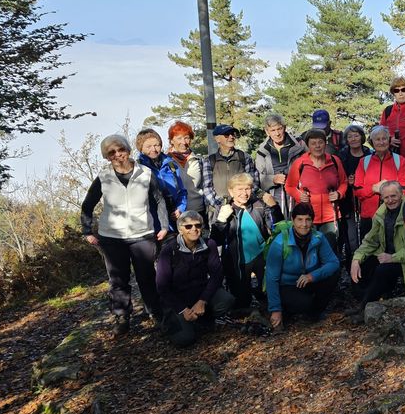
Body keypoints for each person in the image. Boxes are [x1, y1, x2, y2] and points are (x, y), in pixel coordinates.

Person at [81, 134, 169, 336]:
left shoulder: (145, 173)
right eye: (111, 152)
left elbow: (159, 199)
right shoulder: (103, 177)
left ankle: (155, 313)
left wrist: (164, 225)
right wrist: (87, 230)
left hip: (142, 235)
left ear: (128, 150)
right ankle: (122, 317)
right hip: (112, 237)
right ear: (106, 157)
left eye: (121, 149)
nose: (118, 154)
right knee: (118, 279)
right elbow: (87, 205)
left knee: (147, 277)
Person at [348, 181, 405, 322]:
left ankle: (364, 308)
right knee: (362, 266)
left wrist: (393, 257)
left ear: (401, 194)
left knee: (382, 271)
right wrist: (356, 259)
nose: (390, 200)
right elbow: (370, 240)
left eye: (393, 196)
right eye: (386, 197)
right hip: (388, 256)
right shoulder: (381, 212)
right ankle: (366, 301)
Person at [157, 211, 235, 348]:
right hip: (177, 299)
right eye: (188, 226)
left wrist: (202, 301)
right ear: (180, 229)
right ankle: (171, 321)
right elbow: (162, 286)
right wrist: (182, 309)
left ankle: (203, 317)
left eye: (198, 225)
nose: (194, 229)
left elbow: (217, 275)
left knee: (226, 300)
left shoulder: (209, 244)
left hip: (200, 293)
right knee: (185, 339)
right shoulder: (169, 251)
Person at [210, 173, 282, 314]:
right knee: (242, 302)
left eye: (247, 188)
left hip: (261, 255)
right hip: (237, 260)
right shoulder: (224, 209)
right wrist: (221, 220)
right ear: (231, 191)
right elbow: (215, 240)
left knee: (267, 292)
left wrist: (274, 207)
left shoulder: (258, 205)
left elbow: (279, 228)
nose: (244, 193)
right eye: (240, 189)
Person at [263, 203, 340, 328]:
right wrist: (275, 310)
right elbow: (271, 278)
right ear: (293, 220)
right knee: (305, 303)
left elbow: (333, 263)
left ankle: (315, 312)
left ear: (312, 221)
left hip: (308, 280)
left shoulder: (318, 238)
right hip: (287, 285)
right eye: (299, 219)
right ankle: (288, 308)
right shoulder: (280, 243)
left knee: (334, 274)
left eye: (308, 220)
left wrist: (312, 276)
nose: (304, 224)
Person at [284, 129, 347, 252]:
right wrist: (298, 195)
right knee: (308, 252)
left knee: (329, 251)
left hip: (330, 216)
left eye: (320, 142)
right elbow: (289, 186)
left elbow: (344, 182)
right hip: (307, 217)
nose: (317, 146)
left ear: (325, 143)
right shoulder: (300, 163)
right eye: (313, 143)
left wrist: (339, 193)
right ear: (308, 146)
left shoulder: (334, 161)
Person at [353, 125, 405, 237]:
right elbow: (357, 190)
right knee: (369, 246)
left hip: (393, 215)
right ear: (372, 142)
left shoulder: (400, 160)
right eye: (377, 139)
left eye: (384, 138)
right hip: (369, 216)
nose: (381, 142)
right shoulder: (363, 162)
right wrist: (373, 189)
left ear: (389, 140)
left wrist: (386, 191)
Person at [254, 113, 307, 219]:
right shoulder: (262, 151)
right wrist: (273, 179)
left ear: (285, 128)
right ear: (267, 132)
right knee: (280, 226)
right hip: (275, 197)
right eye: (273, 130)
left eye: (279, 129)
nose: (277, 133)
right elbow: (258, 178)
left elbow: (310, 167)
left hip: (298, 194)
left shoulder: (299, 145)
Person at [136, 128, 186, 233]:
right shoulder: (137, 168)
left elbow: (182, 191)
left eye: (156, 145)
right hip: (152, 222)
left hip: (174, 219)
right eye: (148, 146)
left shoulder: (171, 165)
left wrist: (180, 208)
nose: (153, 149)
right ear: (141, 148)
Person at [202, 124, 259, 215]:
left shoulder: (244, 157)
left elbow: (253, 183)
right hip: (217, 210)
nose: (231, 137)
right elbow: (207, 187)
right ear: (217, 139)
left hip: (242, 207)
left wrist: (239, 202)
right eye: (226, 135)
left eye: (233, 134)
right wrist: (220, 205)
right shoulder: (209, 160)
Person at [337, 124, 372, 271]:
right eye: (350, 136)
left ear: (362, 137)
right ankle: (351, 262)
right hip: (347, 199)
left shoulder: (370, 154)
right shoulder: (342, 156)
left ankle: (367, 263)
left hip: (366, 198)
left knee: (366, 232)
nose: (353, 139)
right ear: (346, 139)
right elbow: (337, 177)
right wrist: (348, 181)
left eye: (356, 135)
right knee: (350, 234)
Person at [166, 121, 206, 222]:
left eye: (187, 138)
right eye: (179, 138)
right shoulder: (165, 162)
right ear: (171, 140)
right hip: (175, 213)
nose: (183, 142)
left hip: (198, 211)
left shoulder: (199, 160)